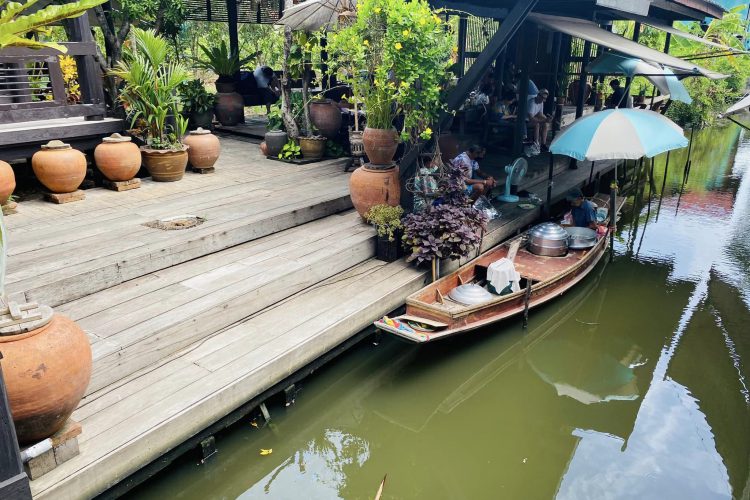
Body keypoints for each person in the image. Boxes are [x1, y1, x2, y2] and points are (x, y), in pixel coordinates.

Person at [527, 88, 552, 155]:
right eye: (543, 98)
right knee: (537, 124)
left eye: (545, 99)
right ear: (538, 95)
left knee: (545, 124)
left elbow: (540, 114)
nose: (543, 100)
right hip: (525, 121)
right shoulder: (532, 102)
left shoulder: (541, 103)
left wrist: (547, 119)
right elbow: (531, 118)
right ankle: (536, 144)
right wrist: (544, 120)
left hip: (532, 119)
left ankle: (543, 144)